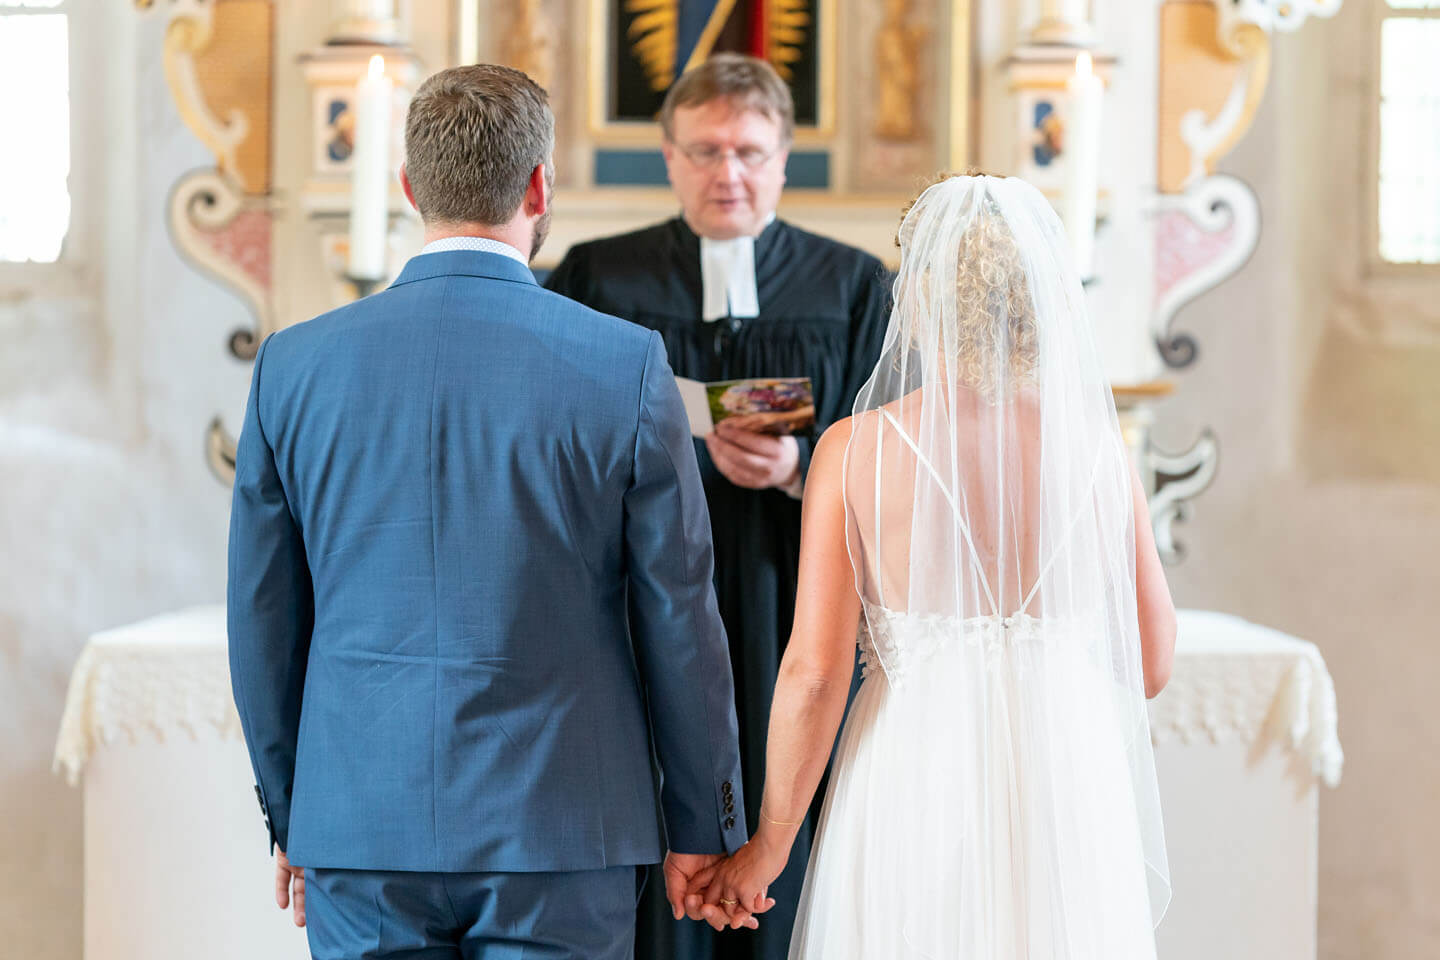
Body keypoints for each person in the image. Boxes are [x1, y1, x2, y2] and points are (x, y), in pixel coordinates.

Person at [226, 64, 753, 960]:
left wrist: (294, 816)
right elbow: (680, 617)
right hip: (561, 827)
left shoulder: (293, 366)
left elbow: (264, 619)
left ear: (408, 190)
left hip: (359, 824)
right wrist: (703, 821)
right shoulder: (624, 366)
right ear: (540, 186)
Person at [692, 174, 1178, 957]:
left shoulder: (857, 451)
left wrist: (770, 846)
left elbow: (814, 674)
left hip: (915, 769)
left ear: (919, 298)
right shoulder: (1096, 450)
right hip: (1066, 776)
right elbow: (1151, 664)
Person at [544, 53, 891, 960]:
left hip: (794, 595)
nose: (727, 173)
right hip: (644, 602)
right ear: (668, 158)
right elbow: (551, 437)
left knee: (794, 812)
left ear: (782, 159)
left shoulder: (853, 287)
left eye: (748, 151)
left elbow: (899, 454)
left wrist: (797, 466)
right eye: (704, 151)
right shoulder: (595, 277)